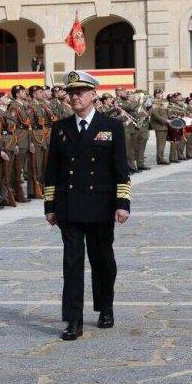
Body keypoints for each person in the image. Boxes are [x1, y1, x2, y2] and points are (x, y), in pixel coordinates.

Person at [44, 71, 131, 341]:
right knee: (71, 264)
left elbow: (120, 168)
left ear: (94, 95)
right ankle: (73, 320)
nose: (75, 97)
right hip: (70, 206)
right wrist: (50, 205)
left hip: (101, 205)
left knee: (103, 260)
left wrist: (122, 203)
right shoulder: (61, 128)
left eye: (81, 92)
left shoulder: (112, 125)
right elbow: (52, 170)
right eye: (71, 93)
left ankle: (105, 306)